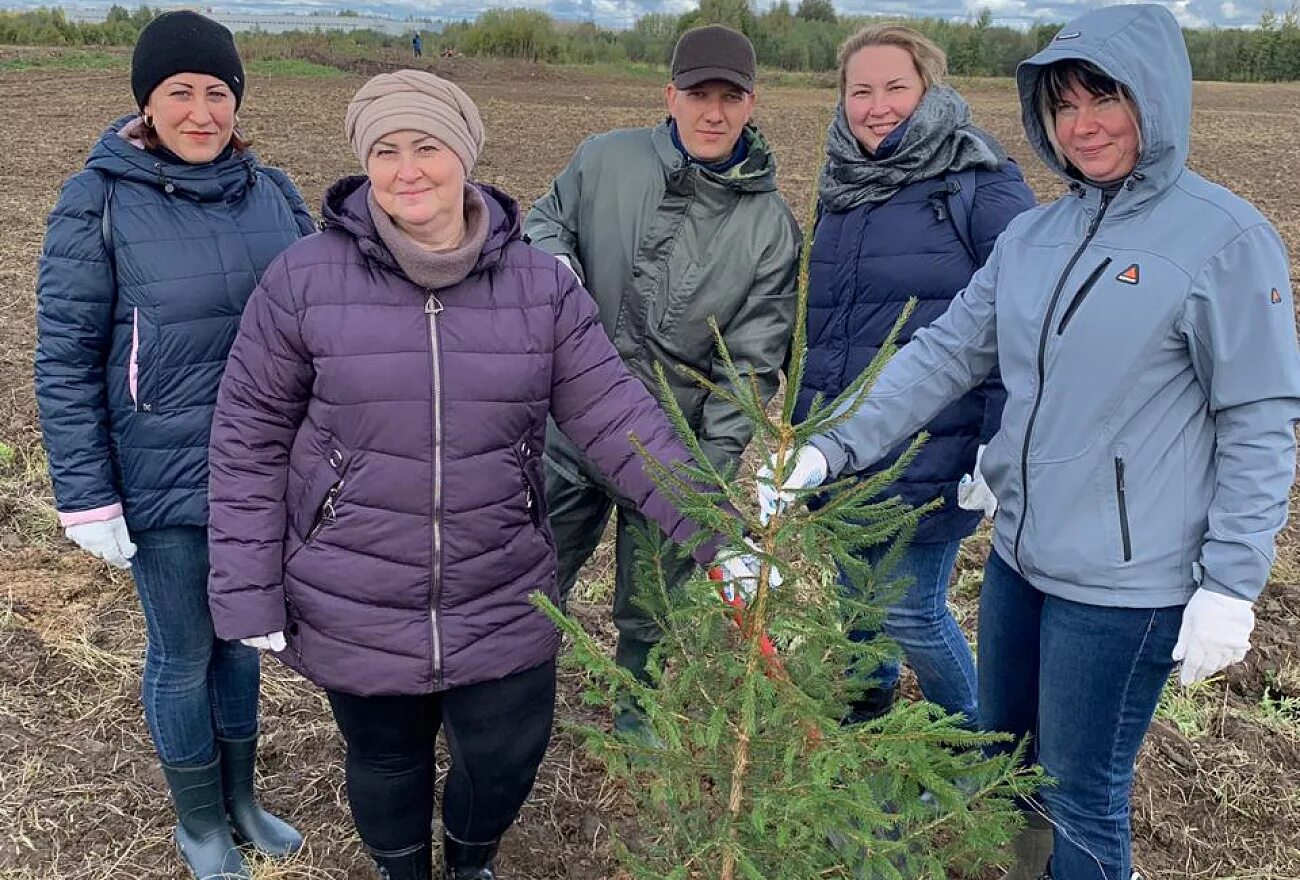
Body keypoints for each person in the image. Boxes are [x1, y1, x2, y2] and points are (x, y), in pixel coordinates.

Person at [758, 5, 1300, 880]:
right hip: (1020, 559)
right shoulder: (1035, 235)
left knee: (1082, 793)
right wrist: (834, 447)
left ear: (1153, 101)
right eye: (1063, 106)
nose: (1082, 126)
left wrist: (1232, 583)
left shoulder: (1225, 239)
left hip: (1129, 585)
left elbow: (1260, 417)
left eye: (1104, 100)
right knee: (1009, 767)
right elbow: (941, 355)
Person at [204, 70, 764, 880]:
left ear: (464, 154)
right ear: (364, 163)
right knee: (385, 761)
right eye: (385, 151)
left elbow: (619, 419)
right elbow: (249, 438)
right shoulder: (303, 280)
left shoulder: (538, 285)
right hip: (359, 584)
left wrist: (713, 528)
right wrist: (249, 588)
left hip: (500, 579)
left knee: (504, 759)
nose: (407, 171)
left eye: (426, 146)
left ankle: (470, 864)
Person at [33, 11, 316, 880]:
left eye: (218, 92)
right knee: (184, 650)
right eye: (179, 93)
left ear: (238, 101)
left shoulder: (273, 193)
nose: (202, 111)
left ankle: (240, 799)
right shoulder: (99, 200)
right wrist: (87, 494)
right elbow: (67, 354)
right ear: (147, 107)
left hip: (262, 474)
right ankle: (197, 820)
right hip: (163, 476)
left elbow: (324, 319)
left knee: (242, 641)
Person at [524, 24, 799, 727]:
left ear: (751, 103)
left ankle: (634, 709)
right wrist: (554, 262)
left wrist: (702, 480)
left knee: (651, 605)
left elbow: (751, 363)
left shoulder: (769, 226)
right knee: (531, 577)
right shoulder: (605, 161)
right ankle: (509, 699)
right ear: (669, 96)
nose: (713, 113)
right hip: (569, 428)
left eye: (730, 97)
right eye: (698, 94)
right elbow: (545, 221)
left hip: (669, 457)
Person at [793, 24, 1035, 727]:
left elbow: (1018, 322)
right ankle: (865, 716)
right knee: (856, 602)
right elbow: (833, 314)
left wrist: (997, 438)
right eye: (860, 90)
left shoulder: (977, 180)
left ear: (929, 89)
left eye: (896, 87)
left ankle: (982, 744)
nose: (878, 106)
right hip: (844, 439)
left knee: (911, 609)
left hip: (940, 440)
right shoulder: (842, 183)